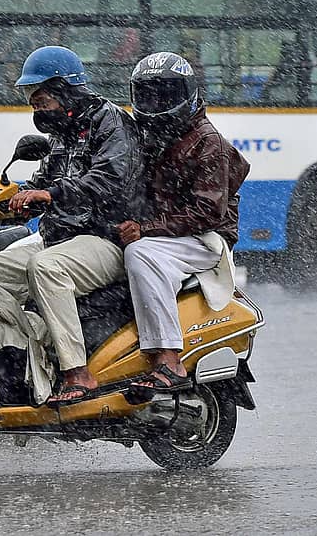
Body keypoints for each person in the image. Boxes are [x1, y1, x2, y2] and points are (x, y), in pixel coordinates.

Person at [0, 46, 146, 406]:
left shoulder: (111, 122)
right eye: (33, 103)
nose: (37, 111)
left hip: (105, 238)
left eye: (41, 101)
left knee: (46, 268)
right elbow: (43, 179)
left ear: (65, 90)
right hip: (59, 236)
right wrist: (6, 201)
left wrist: (50, 195)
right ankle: (25, 353)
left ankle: (77, 372)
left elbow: (109, 180)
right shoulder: (63, 132)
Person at [114, 52, 250, 402]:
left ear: (185, 94)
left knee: (141, 254)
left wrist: (147, 229)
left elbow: (207, 212)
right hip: (168, 232)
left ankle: (168, 359)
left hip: (204, 238)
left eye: (164, 94)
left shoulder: (209, 143)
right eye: (147, 95)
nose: (155, 104)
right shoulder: (151, 136)